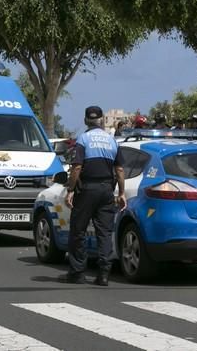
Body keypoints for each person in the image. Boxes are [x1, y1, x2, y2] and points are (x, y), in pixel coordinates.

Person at [60, 105, 126, 286]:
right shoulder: (112, 141)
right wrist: (121, 193)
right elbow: (119, 169)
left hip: (87, 189)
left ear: (85, 121)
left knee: (78, 231)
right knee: (104, 233)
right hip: (107, 190)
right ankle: (104, 275)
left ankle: (77, 273)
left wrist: (71, 190)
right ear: (102, 120)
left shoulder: (83, 139)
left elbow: (77, 167)